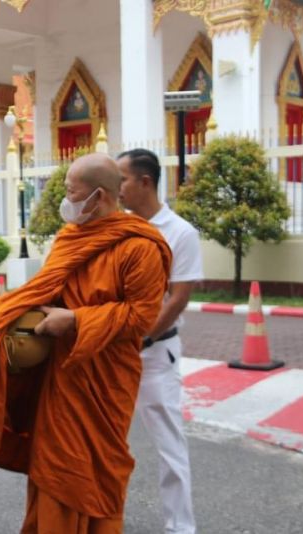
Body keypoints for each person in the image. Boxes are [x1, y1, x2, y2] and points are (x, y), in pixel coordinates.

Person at [0, 153, 172, 533]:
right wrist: (15, 312)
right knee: (53, 466)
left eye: (73, 193)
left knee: (96, 469)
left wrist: (75, 320)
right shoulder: (70, 237)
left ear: (101, 197)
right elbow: (49, 289)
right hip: (61, 374)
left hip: (104, 378)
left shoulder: (140, 247)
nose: (67, 201)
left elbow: (140, 316)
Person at [118, 148, 203, 534]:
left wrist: (141, 338)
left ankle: (180, 528)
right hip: (117, 351)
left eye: (122, 180)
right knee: (105, 437)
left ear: (145, 182)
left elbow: (178, 296)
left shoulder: (180, 232)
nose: (116, 189)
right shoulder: (121, 227)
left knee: (169, 445)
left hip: (155, 354)